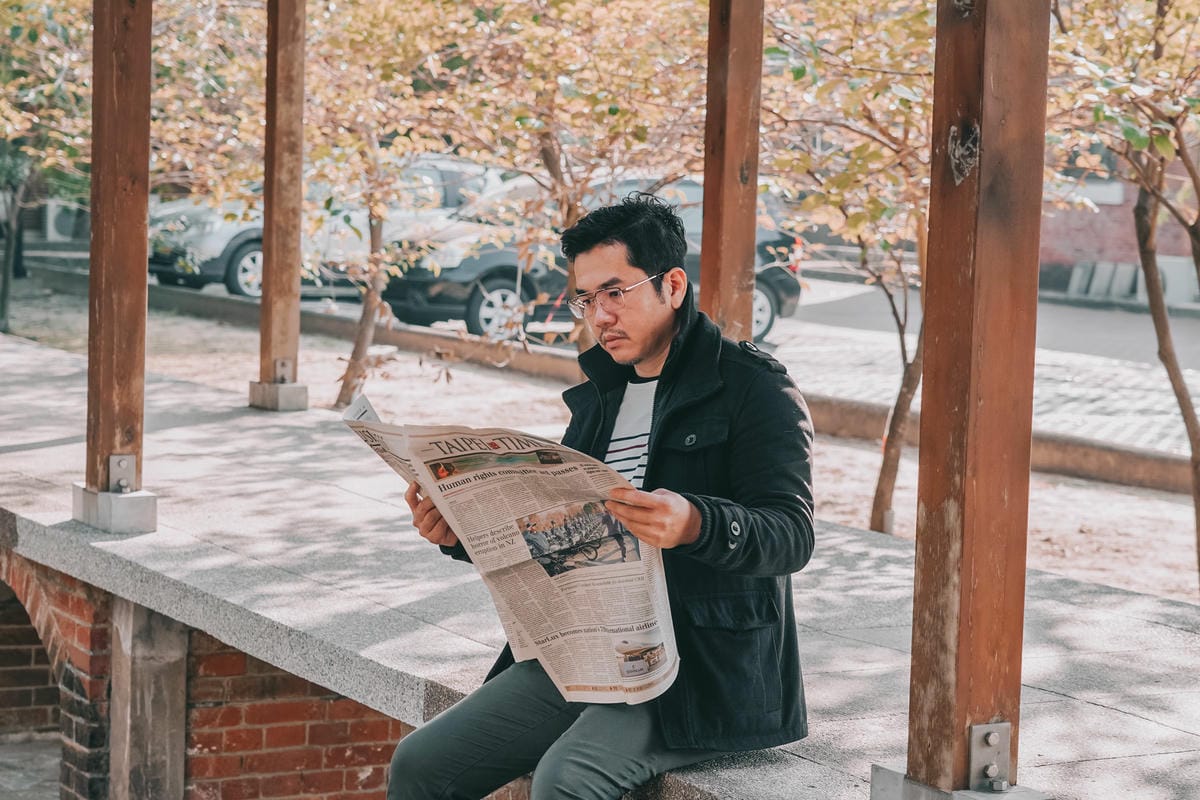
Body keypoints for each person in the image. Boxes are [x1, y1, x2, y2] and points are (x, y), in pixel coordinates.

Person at [389, 193, 815, 800]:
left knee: (567, 779)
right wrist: (459, 534)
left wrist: (695, 522)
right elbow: (558, 537)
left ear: (672, 285)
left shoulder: (753, 386)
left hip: (697, 668)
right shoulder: (600, 397)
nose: (599, 315)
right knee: (420, 763)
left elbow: (791, 535)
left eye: (615, 292)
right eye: (586, 299)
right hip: (589, 648)